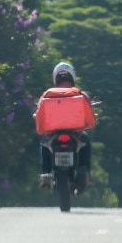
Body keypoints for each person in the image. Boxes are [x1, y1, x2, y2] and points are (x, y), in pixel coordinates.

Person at [35, 61, 96, 191]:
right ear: (73, 77)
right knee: (86, 143)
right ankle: (85, 171)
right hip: (76, 134)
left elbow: (39, 115)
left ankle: (46, 174)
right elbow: (90, 119)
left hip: (52, 134)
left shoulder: (46, 95)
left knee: (44, 145)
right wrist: (88, 125)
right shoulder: (80, 94)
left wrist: (41, 131)